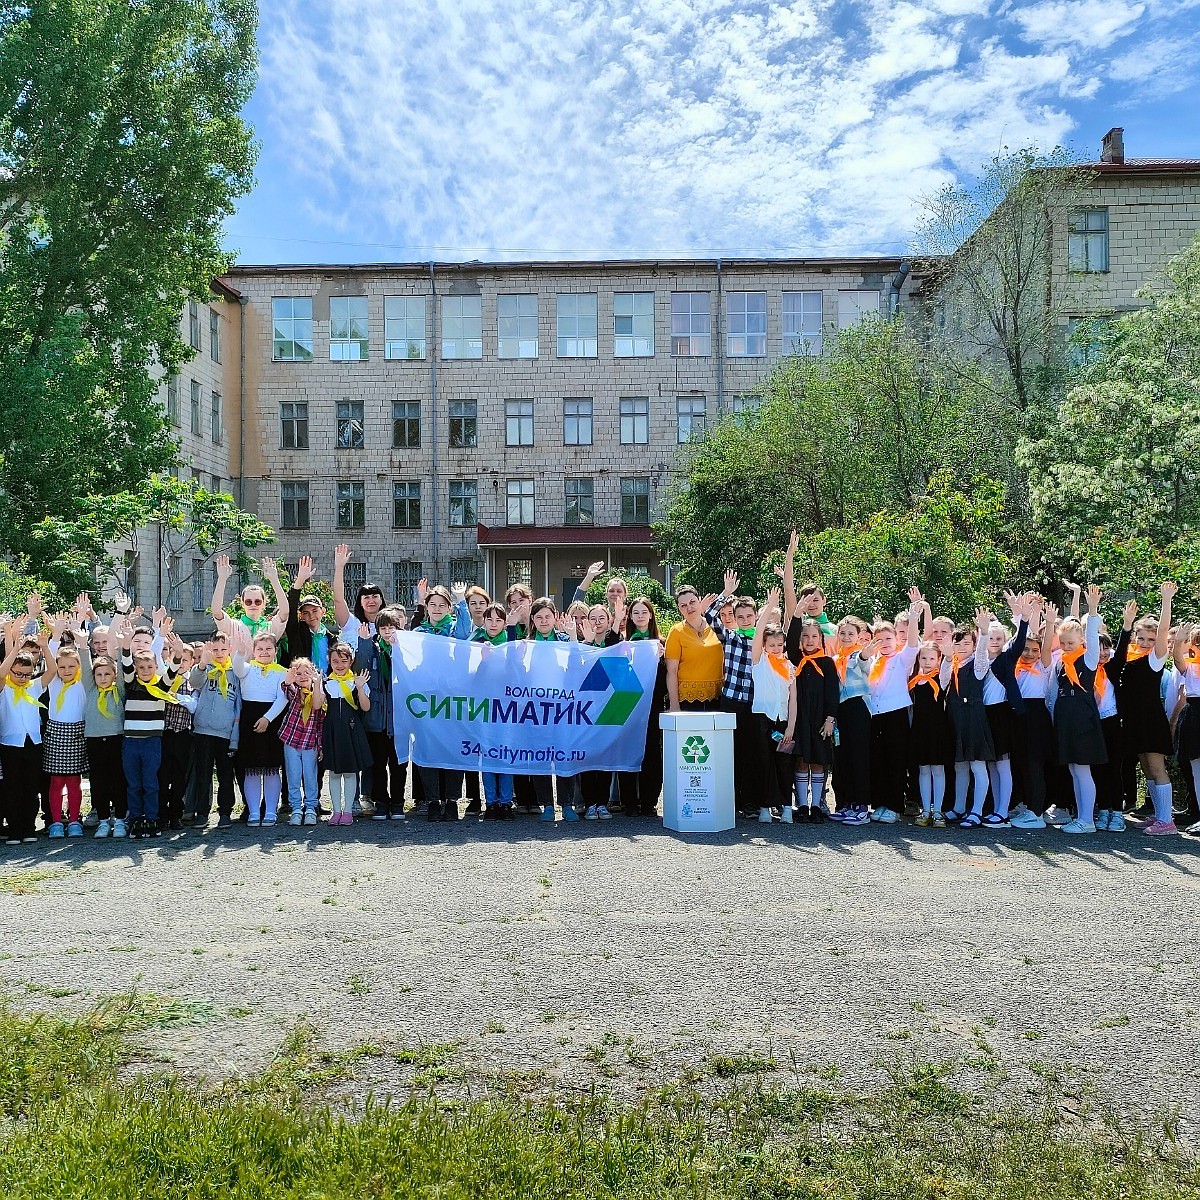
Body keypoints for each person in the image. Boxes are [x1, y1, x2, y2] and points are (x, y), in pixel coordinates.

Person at [1116, 582, 1179, 835]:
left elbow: (1164, 629)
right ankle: (1158, 816)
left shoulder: (1155, 659)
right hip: (1135, 720)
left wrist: (1166, 600)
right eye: (1140, 638)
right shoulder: (1131, 658)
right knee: (1146, 768)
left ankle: (1167, 821)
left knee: (1156, 768)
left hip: (1151, 719)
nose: (1145, 642)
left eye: (1150, 639)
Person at [1046, 585, 1108, 834]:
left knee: (1082, 769)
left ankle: (1087, 820)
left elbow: (1092, 636)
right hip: (1066, 717)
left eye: (1070, 642)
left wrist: (1092, 609)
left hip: (1082, 717)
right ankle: (1080, 816)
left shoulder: (1088, 658)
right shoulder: (1061, 662)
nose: (1066, 646)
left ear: (1081, 641)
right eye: (1062, 642)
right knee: (1073, 769)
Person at [118, 620, 185, 838]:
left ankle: (152, 818)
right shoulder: (131, 684)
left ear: (156, 667)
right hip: (131, 742)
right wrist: (127, 643)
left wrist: (177, 653)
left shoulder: (160, 686)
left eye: (150, 667)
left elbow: (173, 671)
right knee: (134, 783)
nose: (145, 670)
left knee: (151, 783)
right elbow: (126, 664)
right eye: (141, 668)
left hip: (152, 742)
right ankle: (136, 819)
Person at [862, 588, 922, 824]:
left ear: (896, 640)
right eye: (880, 639)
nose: (884, 643)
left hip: (895, 714)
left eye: (888, 639)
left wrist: (914, 615)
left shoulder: (901, 659)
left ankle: (895, 806)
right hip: (875, 715)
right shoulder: (872, 660)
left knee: (895, 761)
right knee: (878, 760)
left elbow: (914, 645)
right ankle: (879, 804)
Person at [703, 570, 758, 816]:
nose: (745, 619)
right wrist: (726, 594)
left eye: (749, 615)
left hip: (755, 703)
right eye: (740, 616)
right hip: (732, 700)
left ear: (756, 616)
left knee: (751, 753)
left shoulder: (764, 639)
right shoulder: (731, 637)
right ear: (734, 618)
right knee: (730, 752)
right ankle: (731, 801)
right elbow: (708, 616)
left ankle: (750, 802)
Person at [525, 598, 578, 823]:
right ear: (533, 621)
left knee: (565, 756)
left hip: (563, 709)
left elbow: (577, 665)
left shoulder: (565, 640)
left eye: (547, 616)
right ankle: (546, 804)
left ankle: (567, 804)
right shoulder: (526, 644)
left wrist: (574, 637)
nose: (544, 621)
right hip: (536, 710)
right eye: (539, 617)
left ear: (555, 617)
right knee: (541, 758)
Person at [749, 588, 797, 824]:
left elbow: (793, 699)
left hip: (783, 720)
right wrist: (769, 607)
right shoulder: (759, 661)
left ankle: (787, 807)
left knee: (784, 764)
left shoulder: (789, 667)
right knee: (763, 763)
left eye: (780, 644)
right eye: (772, 644)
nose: (776, 648)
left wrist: (790, 728)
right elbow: (758, 632)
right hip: (762, 718)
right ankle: (765, 807)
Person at [232, 630, 288, 828]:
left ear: (275, 650)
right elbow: (237, 667)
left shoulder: (282, 672)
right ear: (254, 651)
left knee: (272, 768)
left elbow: (282, 698)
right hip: (249, 720)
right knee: (252, 769)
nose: (264, 652)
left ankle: (271, 811)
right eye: (260, 649)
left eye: (268, 649)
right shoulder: (247, 669)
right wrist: (239, 651)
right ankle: (254, 811)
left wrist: (267, 718)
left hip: (271, 720)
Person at [617, 597, 668, 817]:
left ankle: (649, 802)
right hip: (627, 704)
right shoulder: (623, 643)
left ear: (651, 615)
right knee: (627, 751)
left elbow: (667, 678)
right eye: (635, 612)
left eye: (643, 612)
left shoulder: (661, 642)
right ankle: (629, 802)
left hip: (653, 705)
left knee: (652, 754)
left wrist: (662, 659)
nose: (639, 616)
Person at [946, 610, 996, 829]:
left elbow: (983, 655)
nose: (962, 647)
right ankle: (958, 807)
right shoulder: (951, 664)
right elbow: (943, 680)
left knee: (977, 764)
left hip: (973, 715)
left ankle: (976, 810)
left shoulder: (978, 663)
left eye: (967, 642)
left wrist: (984, 632)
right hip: (955, 716)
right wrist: (948, 658)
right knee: (960, 765)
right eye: (958, 643)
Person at [786, 617, 838, 820]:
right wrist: (797, 614)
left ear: (820, 639)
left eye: (814, 636)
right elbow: (790, 640)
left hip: (819, 720)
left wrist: (830, 719)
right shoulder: (795, 660)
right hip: (799, 719)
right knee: (801, 760)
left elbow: (833, 693)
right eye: (805, 636)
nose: (809, 640)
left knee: (817, 760)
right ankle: (802, 805)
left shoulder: (827, 663)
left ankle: (816, 804)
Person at [189, 632, 242, 830]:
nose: (219, 653)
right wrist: (202, 663)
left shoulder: (235, 673)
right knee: (203, 774)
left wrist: (234, 735)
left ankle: (225, 812)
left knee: (225, 774)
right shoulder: (204, 669)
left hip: (225, 732)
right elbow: (194, 682)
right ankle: (202, 813)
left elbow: (238, 706)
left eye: (223, 649)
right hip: (203, 730)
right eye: (215, 649)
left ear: (230, 649)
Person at [40, 632, 89, 838]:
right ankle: (56, 822)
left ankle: (75, 819)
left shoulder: (84, 682)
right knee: (56, 782)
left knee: (74, 781)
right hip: (56, 734)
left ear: (78, 666)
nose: (66, 670)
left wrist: (80, 638)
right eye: (62, 667)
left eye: (71, 666)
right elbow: (50, 661)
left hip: (77, 734)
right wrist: (51, 640)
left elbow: (86, 659)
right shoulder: (54, 682)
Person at [473, 604, 516, 820]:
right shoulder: (476, 643)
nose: (493, 624)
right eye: (489, 619)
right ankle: (491, 802)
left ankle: (506, 802)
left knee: (506, 757)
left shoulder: (510, 645)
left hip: (507, 710)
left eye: (498, 620)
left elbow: (518, 675)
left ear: (505, 623)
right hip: (484, 711)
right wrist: (483, 662)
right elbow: (471, 679)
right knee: (488, 758)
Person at [80, 641, 127, 838]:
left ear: (114, 675)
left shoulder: (120, 691)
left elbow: (123, 670)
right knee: (98, 782)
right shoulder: (91, 690)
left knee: (118, 781)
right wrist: (83, 645)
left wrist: (119, 646)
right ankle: (102, 821)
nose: (103, 677)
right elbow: (85, 666)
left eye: (107, 674)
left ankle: (121, 820)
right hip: (94, 741)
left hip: (116, 739)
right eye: (99, 674)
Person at [828, 616, 872, 825]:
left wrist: (864, 653)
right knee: (843, 757)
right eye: (843, 633)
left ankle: (862, 806)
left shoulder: (857, 654)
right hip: (841, 710)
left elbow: (863, 660)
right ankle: (847, 804)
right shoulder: (835, 658)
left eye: (851, 634)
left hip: (858, 708)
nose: (846, 637)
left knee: (859, 757)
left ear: (859, 636)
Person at [323, 644, 372, 825]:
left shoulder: (356, 681)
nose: (340, 665)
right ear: (330, 661)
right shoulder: (326, 683)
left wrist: (359, 688)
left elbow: (366, 707)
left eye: (344, 661)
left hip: (352, 730)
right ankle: (336, 811)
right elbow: (316, 705)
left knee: (351, 772)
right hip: (332, 731)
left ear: (351, 661)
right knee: (334, 773)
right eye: (335, 661)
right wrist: (315, 683)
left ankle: (348, 811)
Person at [908, 640, 954, 827]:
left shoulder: (940, 678)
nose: (927, 662)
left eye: (932, 658)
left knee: (938, 770)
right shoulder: (914, 680)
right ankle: (925, 809)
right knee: (923, 770)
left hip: (937, 731)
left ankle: (938, 811)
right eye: (924, 657)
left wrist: (949, 656)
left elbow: (947, 668)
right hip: (920, 730)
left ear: (938, 659)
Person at [279, 657, 326, 827]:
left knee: (310, 776)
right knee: (293, 775)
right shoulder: (294, 690)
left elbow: (317, 706)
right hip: (291, 739)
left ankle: (311, 808)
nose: (303, 676)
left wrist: (318, 683)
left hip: (310, 741)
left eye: (307, 672)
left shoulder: (318, 691)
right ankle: (296, 809)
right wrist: (289, 679)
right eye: (298, 673)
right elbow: (286, 688)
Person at [157, 640, 198, 831]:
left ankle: (176, 814)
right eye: (177, 659)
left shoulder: (193, 682)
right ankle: (162, 814)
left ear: (191, 662)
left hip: (183, 734)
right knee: (163, 775)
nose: (181, 663)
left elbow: (193, 706)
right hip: (165, 733)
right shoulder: (166, 677)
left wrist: (179, 698)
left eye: (185, 660)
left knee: (180, 776)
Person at [665, 585, 724, 713]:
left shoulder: (716, 626)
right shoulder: (676, 632)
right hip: (688, 700)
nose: (689, 608)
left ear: (699, 601)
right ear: (679, 609)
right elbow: (672, 671)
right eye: (683, 605)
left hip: (718, 697)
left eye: (692, 602)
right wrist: (674, 705)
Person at [211, 554, 289, 640]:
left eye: (257, 601)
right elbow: (216, 612)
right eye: (248, 602)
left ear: (264, 603)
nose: (253, 605)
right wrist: (222, 579)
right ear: (242, 603)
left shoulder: (270, 628)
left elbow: (284, 612)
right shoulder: (233, 627)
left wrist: (274, 579)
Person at [281, 556, 333, 672]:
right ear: (301, 616)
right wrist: (299, 581)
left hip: (326, 685)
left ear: (323, 612)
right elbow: (291, 607)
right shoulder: (297, 633)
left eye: (315, 611)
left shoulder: (332, 639)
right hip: (303, 683)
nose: (311, 616)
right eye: (306, 612)